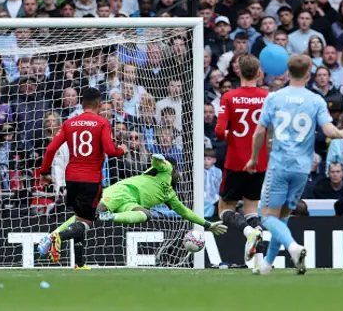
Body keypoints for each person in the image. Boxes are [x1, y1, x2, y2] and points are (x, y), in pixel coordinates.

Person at [244, 54, 343, 275]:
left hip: (279, 165)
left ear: (288, 71)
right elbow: (329, 131)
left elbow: (259, 131)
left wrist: (254, 158)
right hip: (303, 168)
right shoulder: (315, 100)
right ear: (308, 74)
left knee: (267, 216)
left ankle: (293, 247)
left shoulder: (275, 98)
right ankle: (267, 264)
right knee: (283, 216)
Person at [36, 88, 127, 268]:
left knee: (79, 217)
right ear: (100, 104)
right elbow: (110, 150)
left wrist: (45, 173)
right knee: (86, 222)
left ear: (82, 103)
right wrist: (122, 149)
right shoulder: (102, 123)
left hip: (71, 179)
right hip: (90, 179)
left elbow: (51, 149)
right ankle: (56, 237)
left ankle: (79, 263)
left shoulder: (69, 123)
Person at [214, 54, 269, 267]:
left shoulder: (229, 96)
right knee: (252, 209)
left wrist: (234, 136)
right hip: (259, 161)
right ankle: (259, 262)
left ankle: (249, 232)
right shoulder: (267, 97)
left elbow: (219, 131)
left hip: (236, 160)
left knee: (225, 209)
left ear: (238, 72)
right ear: (258, 73)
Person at [96, 154, 227, 233]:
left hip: (130, 202)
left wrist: (207, 225)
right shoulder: (166, 170)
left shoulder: (170, 195)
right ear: (175, 169)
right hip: (121, 192)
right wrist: (159, 159)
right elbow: (156, 162)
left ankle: (110, 216)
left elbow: (185, 212)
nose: (179, 174)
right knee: (91, 212)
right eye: (178, 170)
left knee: (146, 214)